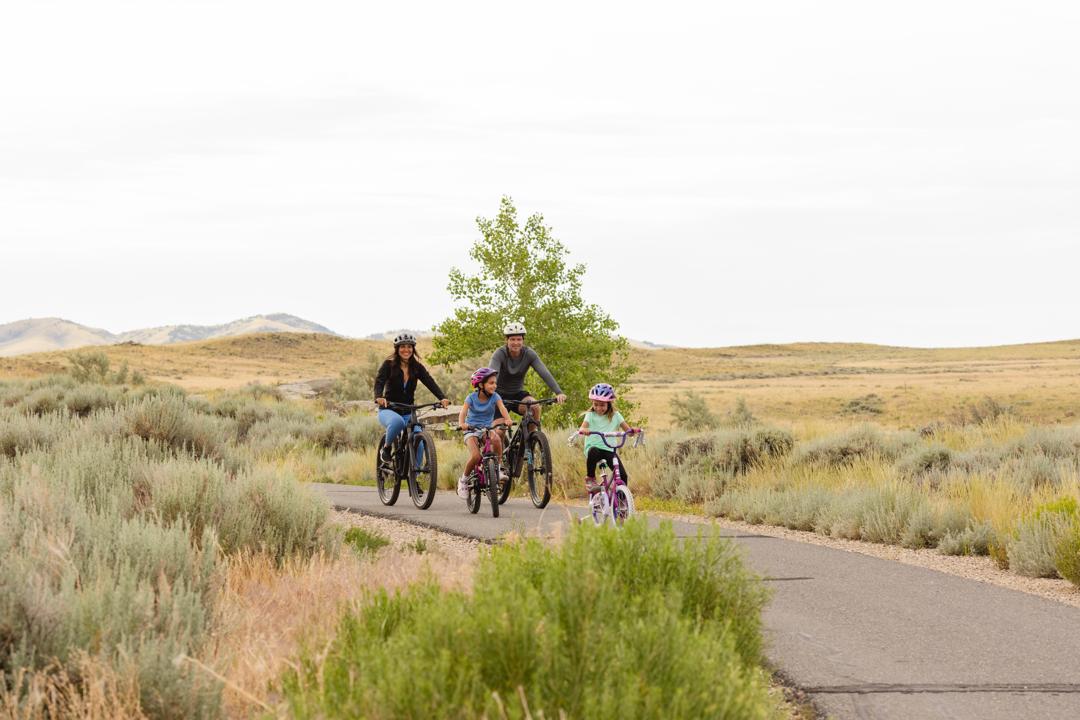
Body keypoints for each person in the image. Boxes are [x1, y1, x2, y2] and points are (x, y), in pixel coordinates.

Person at [373, 333, 450, 462]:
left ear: (413, 349)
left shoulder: (417, 367)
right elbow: (379, 382)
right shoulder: (389, 365)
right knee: (397, 422)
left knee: (418, 440)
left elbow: (429, 382)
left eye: (409, 347)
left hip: (408, 411)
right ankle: (386, 448)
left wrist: (442, 397)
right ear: (397, 349)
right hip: (389, 409)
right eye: (402, 346)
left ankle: (416, 475)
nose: (406, 350)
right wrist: (379, 397)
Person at [488, 320, 566, 426]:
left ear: (523, 340)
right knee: (499, 432)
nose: (516, 342)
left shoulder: (529, 354)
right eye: (512, 339)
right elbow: (492, 375)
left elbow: (544, 373)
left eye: (519, 339)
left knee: (534, 407)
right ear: (506, 340)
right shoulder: (499, 354)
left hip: (518, 395)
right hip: (499, 396)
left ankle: (530, 439)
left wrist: (558, 392)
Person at [577, 383, 637, 504]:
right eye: (596, 405)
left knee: (623, 476)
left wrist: (633, 431)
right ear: (592, 404)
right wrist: (584, 430)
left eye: (602, 405)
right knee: (593, 451)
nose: (599, 408)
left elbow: (628, 431)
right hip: (595, 449)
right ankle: (590, 478)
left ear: (609, 404)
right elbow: (582, 428)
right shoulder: (590, 415)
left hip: (609, 449)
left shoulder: (616, 416)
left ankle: (622, 504)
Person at [457, 367, 511, 499]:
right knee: (475, 456)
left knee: (497, 440)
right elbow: (463, 412)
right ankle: (463, 480)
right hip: (471, 430)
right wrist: (462, 424)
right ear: (481, 385)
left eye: (495, 383)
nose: (495, 385)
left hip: (486, 429)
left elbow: (502, 408)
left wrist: (508, 419)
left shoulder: (495, 397)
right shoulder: (471, 398)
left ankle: (497, 469)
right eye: (491, 383)